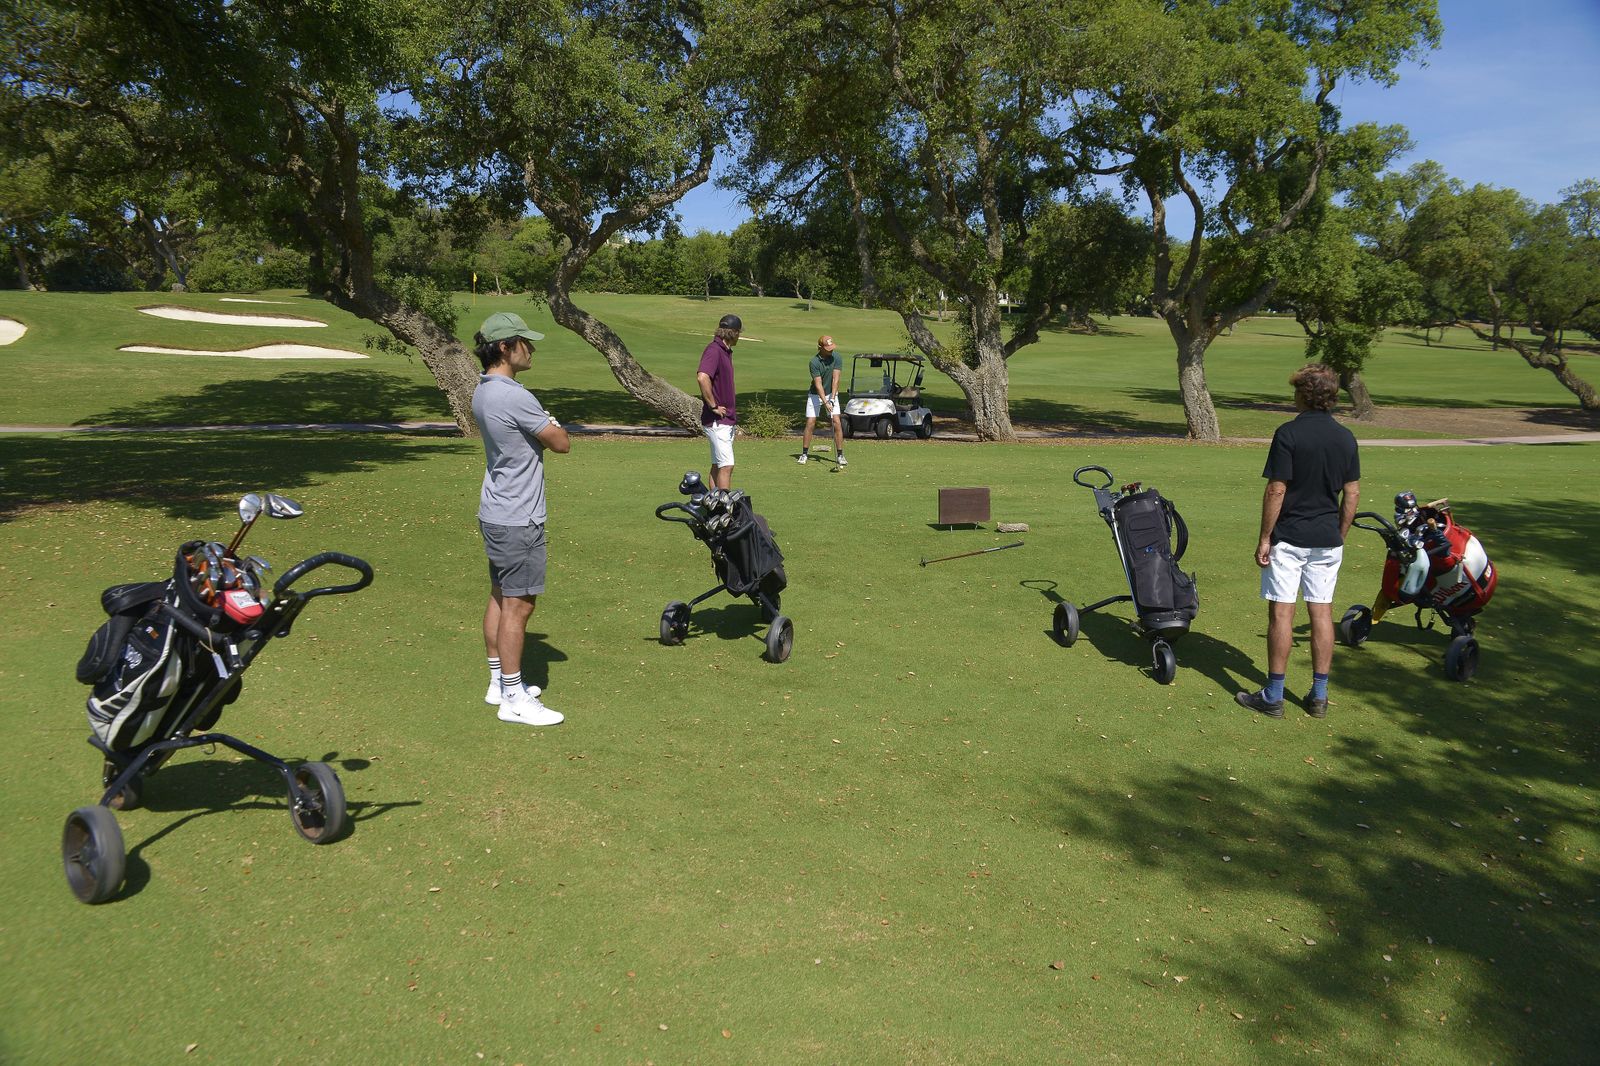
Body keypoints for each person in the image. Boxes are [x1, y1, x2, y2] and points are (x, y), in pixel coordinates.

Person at [1236, 363, 1360, 720]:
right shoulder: (1346, 437)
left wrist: (1264, 537)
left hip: (1289, 538)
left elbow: (1277, 489)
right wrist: (1339, 535)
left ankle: (1274, 695)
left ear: (1304, 395)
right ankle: (1319, 696)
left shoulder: (1288, 433)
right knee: (1322, 612)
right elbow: (1352, 493)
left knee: (1282, 612)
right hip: (1327, 540)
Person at [472, 311, 570, 727]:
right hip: (518, 516)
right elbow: (561, 442)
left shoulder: (483, 390)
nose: (531, 349)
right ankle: (514, 698)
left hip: (496, 511)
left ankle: (498, 682)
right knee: (519, 605)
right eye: (524, 342)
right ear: (504, 347)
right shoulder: (514, 396)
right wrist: (551, 423)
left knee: (500, 595)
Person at [696, 313, 741, 489]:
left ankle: (713, 502)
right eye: (738, 332)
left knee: (717, 465)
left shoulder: (724, 350)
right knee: (727, 466)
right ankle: (724, 505)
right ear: (733, 333)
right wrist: (713, 405)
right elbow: (702, 377)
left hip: (724, 420)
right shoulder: (714, 350)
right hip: (718, 420)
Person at [798, 334, 847, 467]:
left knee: (837, 422)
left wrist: (832, 398)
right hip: (815, 394)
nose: (831, 350)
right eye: (828, 348)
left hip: (831, 394)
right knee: (811, 422)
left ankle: (840, 455)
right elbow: (818, 384)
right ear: (820, 347)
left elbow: (836, 379)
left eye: (832, 347)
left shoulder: (837, 357)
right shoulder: (814, 362)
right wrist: (825, 402)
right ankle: (804, 454)